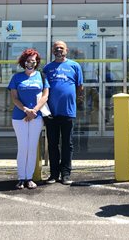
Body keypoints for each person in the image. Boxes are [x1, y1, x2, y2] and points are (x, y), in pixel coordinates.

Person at [7, 48, 49, 190]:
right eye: (28, 60)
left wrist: (34, 111)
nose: (31, 62)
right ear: (23, 61)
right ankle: (21, 178)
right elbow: (14, 97)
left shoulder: (41, 77)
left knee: (32, 148)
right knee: (23, 147)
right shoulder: (16, 77)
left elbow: (45, 96)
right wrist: (26, 110)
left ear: (36, 62)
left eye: (34, 60)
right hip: (19, 118)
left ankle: (29, 178)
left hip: (36, 117)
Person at [43, 40, 84, 185]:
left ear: (66, 50)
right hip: (51, 113)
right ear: (53, 51)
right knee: (53, 144)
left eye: (61, 48)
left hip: (68, 111)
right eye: (56, 48)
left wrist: (75, 101)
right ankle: (54, 174)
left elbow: (80, 86)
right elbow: (43, 89)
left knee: (67, 143)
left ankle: (66, 174)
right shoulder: (47, 68)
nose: (59, 50)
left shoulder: (74, 66)